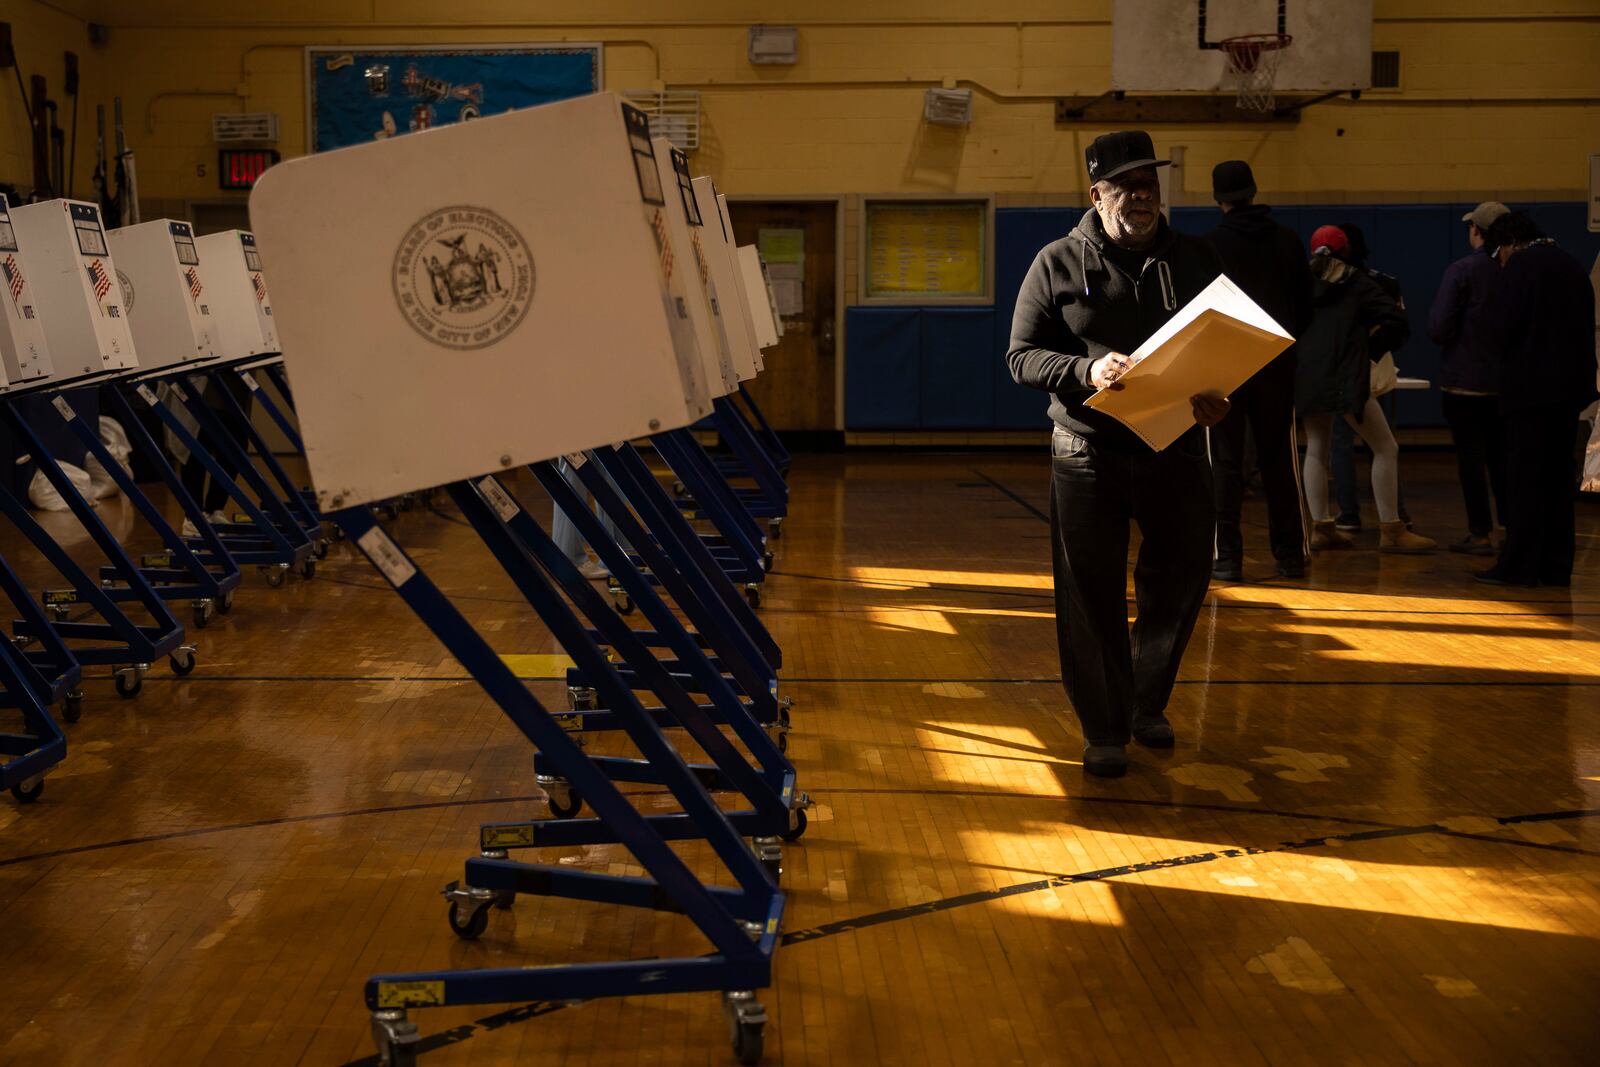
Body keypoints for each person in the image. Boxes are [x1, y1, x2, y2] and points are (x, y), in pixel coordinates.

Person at [1007, 130, 1229, 779]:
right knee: (1088, 588)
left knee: (1183, 574)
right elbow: (1020, 356)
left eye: (1150, 185)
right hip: (1087, 449)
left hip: (1178, 443)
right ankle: (1104, 725)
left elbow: (1222, 345)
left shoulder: (1196, 258)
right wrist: (1086, 369)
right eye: (1127, 186)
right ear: (1096, 193)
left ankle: (1145, 700)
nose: (1141, 197)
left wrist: (1219, 396)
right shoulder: (1055, 262)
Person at [1203, 160, 1314, 581]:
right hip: (1275, 364)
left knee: (1224, 464)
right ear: (1253, 191)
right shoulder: (1287, 241)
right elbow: (1306, 306)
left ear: (1219, 200)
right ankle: (1290, 555)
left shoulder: (1211, 245)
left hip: (1225, 369)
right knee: (1279, 459)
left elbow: (1203, 315)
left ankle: (1227, 558)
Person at [1295, 225, 1437, 554]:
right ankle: (1391, 529)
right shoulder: (1355, 281)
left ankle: (1321, 527)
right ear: (1346, 250)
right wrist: (1367, 350)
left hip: (1309, 375)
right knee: (1385, 447)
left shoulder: (1299, 282)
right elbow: (1395, 320)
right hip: (1345, 375)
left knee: (1317, 446)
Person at [1475, 212, 1598, 586]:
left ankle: (1519, 566)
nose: (1499, 260)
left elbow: (1498, 328)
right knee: (1559, 480)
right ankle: (1556, 566)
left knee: (1525, 480)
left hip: (1529, 391)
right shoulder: (1572, 264)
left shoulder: (1522, 266)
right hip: (1569, 392)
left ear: (1511, 241)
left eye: (1497, 253)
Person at [1429, 201, 1510, 556]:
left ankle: (1479, 532)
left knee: (1471, 460)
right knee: (1503, 458)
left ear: (1475, 230)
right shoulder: (1515, 269)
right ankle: (1511, 528)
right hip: (1506, 383)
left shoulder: (1461, 271)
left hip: (1463, 381)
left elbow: (1438, 326)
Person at [1328, 222, 1412, 532]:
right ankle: (1396, 516)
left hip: (1345, 374)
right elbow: (1399, 328)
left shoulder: (1331, 286)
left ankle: (1349, 515)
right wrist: (1372, 351)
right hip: (1376, 372)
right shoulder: (1383, 282)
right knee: (1384, 445)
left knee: (1341, 444)